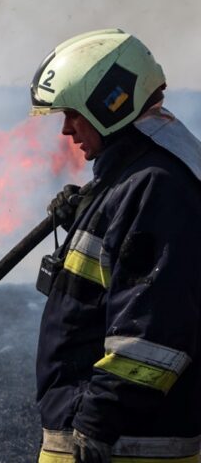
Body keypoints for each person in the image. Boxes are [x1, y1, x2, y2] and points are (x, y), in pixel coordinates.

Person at [29, 28, 201, 463]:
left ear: (111, 104)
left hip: (122, 447)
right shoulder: (133, 181)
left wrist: (94, 424)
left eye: (72, 114)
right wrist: (91, 211)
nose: (66, 129)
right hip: (110, 440)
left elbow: (153, 330)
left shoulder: (155, 189)